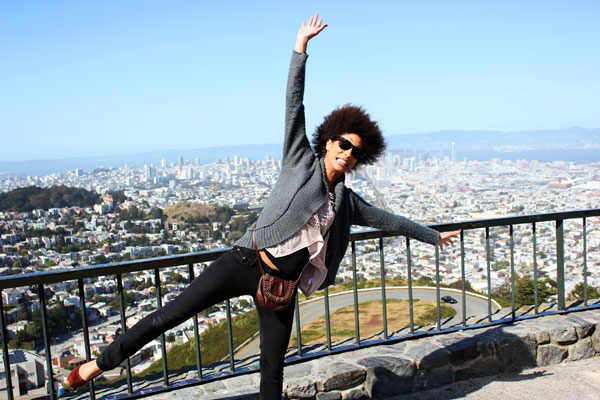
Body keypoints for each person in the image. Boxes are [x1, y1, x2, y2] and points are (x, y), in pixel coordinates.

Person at [67, 13, 459, 400]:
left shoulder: (347, 202)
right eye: (344, 144)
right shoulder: (298, 159)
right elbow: (294, 102)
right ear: (328, 141)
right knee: (169, 316)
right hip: (244, 260)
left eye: (356, 152)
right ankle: (99, 365)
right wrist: (300, 48)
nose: (348, 153)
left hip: (280, 288)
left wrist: (433, 236)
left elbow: (389, 219)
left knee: (272, 369)